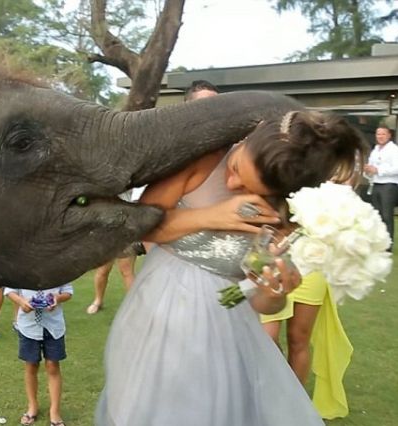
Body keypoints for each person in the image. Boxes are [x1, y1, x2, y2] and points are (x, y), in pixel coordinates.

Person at [95, 110, 364, 425]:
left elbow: (259, 299)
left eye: (247, 187)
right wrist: (213, 216)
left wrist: (274, 291)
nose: (232, 181)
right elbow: (139, 224)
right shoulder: (202, 158)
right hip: (160, 308)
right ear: (246, 139)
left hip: (225, 328)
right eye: (236, 167)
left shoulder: (281, 210)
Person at [260, 272, 353, 420]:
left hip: (312, 267)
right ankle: (266, 399)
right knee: (267, 339)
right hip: (274, 262)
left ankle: (294, 405)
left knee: (298, 338)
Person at [5, 284, 73, 426]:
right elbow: (10, 290)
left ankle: (54, 411)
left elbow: (68, 292)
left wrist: (57, 298)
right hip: (28, 326)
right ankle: (32, 406)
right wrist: (21, 302)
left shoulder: (58, 268)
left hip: (54, 325)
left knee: (53, 365)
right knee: (31, 365)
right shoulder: (22, 267)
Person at [86, 190, 137, 315]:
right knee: (103, 270)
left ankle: (135, 306)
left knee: (126, 271)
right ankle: (98, 301)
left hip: (126, 229)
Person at [363, 125, 398, 249]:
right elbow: (371, 167)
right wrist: (367, 170)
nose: (380, 137)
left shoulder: (394, 150)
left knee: (387, 215)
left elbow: (396, 168)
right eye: (378, 134)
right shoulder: (375, 149)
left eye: (383, 134)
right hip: (376, 184)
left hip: (389, 185)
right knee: (377, 215)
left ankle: (389, 244)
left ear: (389, 135)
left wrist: (378, 170)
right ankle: (379, 242)